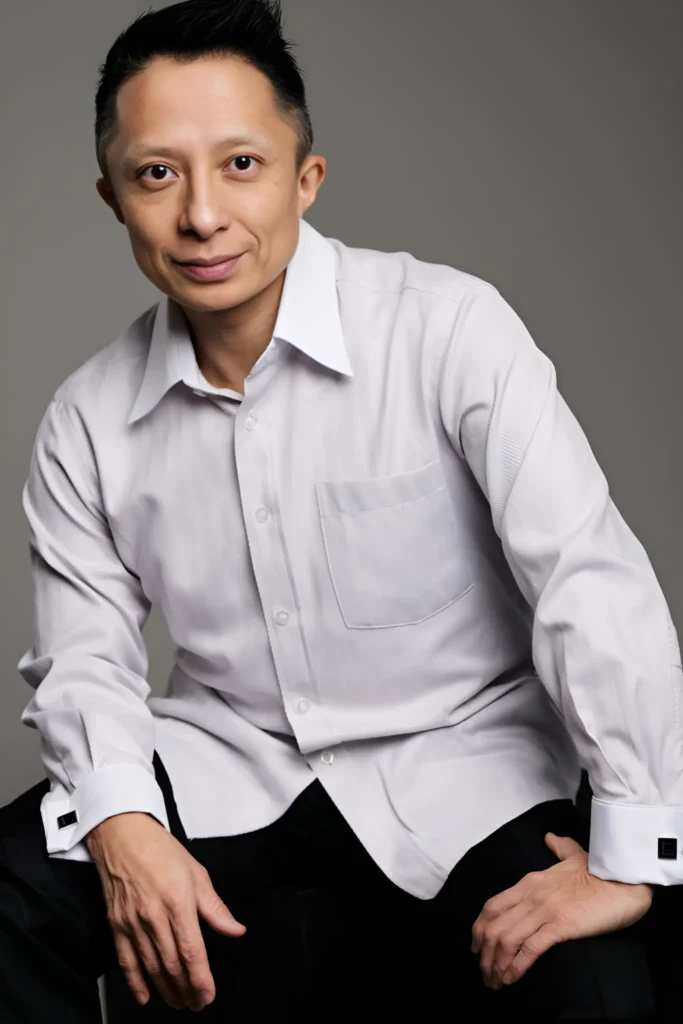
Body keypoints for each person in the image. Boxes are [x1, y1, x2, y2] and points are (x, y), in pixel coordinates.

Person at [1, 0, 680, 1020]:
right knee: (10, 891)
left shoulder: (446, 330)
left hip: (464, 765)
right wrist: (124, 821)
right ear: (113, 198)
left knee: (602, 989)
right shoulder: (87, 418)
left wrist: (634, 848)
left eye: (241, 164)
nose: (201, 215)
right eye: (157, 174)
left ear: (305, 178)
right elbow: (85, 660)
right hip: (228, 762)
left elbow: (585, 578)